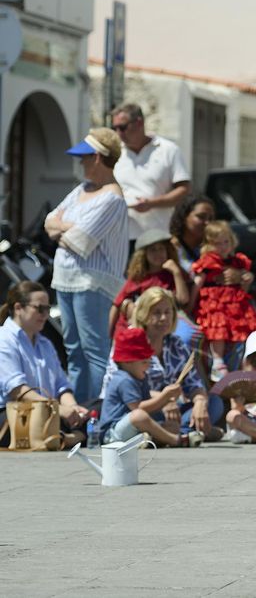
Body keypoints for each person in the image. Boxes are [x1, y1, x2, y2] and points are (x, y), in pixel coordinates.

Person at [45, 128, 129, 403]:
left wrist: (63, 228)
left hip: (93, 282)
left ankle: (101, 410)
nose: (80, 163)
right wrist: (68, 228)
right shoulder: (82, 190)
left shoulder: (112, 198)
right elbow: (49, 222)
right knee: (74, 350)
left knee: (94, 349)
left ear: (97, 157)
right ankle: (81, 412)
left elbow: (82, 240)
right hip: (67, 278)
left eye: (84, 158)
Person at [100, 288, 225, 442]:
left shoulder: (176, 344)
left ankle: (178, 433)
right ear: (143, 314)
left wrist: (200, 403)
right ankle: (187, 433)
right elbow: (121, 385)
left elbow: (193, 384)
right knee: (144, 416)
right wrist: (163, 400)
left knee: (214, 403)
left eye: (168, 312)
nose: (163, 318)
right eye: (156, 313)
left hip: (171, 410)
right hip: (135, 409)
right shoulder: (130, 340)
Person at [0, 281, 89, 449]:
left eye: (47, 309)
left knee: (93, 409)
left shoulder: (45, 343)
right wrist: (57, 409)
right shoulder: (3, 339)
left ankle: (61, 437)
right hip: (13, 413)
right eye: (39, 308)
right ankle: (66, 437)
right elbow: (18, 390)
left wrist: (72, 407)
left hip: (46, 411)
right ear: (18, 308)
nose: (45, 314)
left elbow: (62, 385)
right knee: (37, 420)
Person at [98, 327, 203, 448]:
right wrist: (164, 396)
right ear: (127, 362)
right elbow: (138, 408)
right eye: (144, 362)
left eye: (149, 361)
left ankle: (148, 440)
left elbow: (149, 404)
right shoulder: (123, 380)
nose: (148, 366)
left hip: (134, 428)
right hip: (113, 433)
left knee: (172, 426)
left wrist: (169, 399)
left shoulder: (139, 378)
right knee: (139, 416)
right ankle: (176, 441)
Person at [191, 220, 256, 379]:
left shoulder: (238, 261)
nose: (223, 246)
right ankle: (218, 361)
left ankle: (249, 365)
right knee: (218, 328)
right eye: (217, 243)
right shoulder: (208, 261)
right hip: (215, 302)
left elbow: (242, 291)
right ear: (209, 245)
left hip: (235, 303)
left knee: (249, 328)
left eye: (226, 242)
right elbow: (198, 283)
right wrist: (190, 305)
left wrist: (246, 281)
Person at [110, 103, 191, 245]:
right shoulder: (115, 153)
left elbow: (183, 189)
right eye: (114, 128)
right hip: (121, 237)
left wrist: (152, 203)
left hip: (158, 236)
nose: (118, 133)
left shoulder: (168, 150)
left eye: (122, 127)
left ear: (139, 123)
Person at [109, 229, 190, 336]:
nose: (158, 253)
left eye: (161, 249)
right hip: (133, 328)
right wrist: (110, 333)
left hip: (162, 325)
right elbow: (117, 303)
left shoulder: (173, 274)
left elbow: (183, 299)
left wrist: (176, 273)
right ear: (144, 255)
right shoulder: (138, 277)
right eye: (153, 250)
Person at [169, 194, 216, 275]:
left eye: (211, 218)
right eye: (201, 217)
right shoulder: (168, 248)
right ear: (184, 216)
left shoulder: (217, 247)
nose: (207, 223)